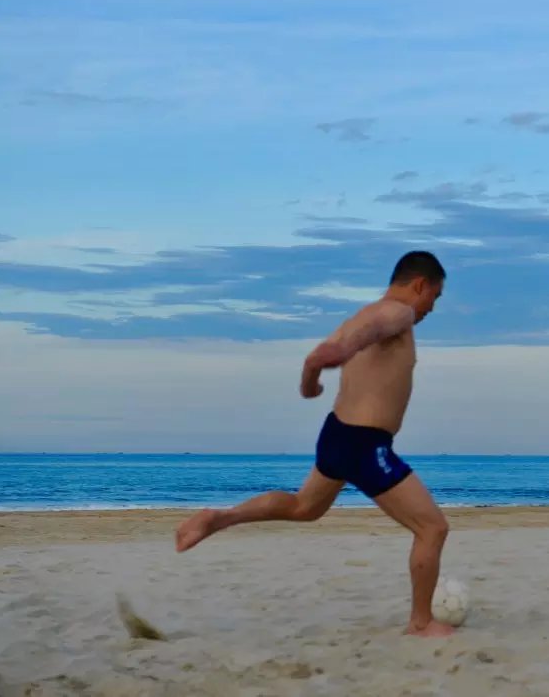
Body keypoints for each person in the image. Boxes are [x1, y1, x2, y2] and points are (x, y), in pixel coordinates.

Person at [173, 250, 456, 638]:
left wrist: (314, 380)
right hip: (365, 443)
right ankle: (421, 623)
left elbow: (312, 364)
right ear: (420, 285)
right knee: (432, 529)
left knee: (303, 507)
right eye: (434, 298)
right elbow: (380, 325)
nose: (431, 308)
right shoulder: (398, 314)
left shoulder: (354, 318)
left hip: (336, 435)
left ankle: (220, 518)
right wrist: (343, 351)